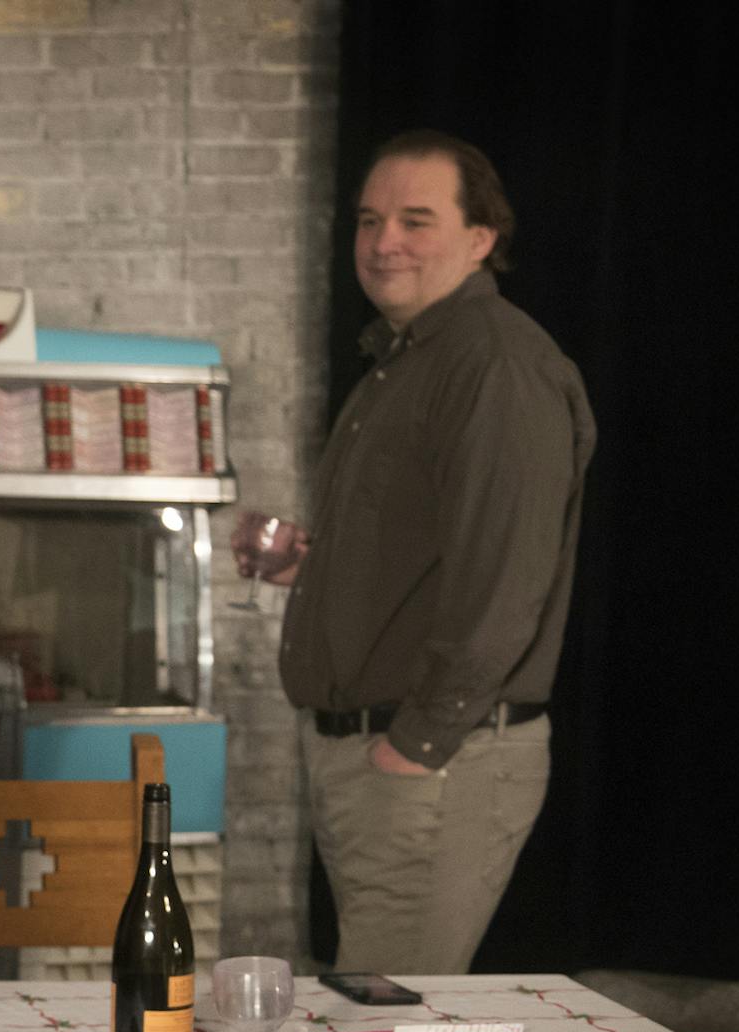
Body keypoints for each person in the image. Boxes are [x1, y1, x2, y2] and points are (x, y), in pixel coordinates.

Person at [237, 130, 596, 975]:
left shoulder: (495, 366)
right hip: (380, 760)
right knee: (375, 1015)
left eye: (415, 219)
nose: (383, 240)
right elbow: (428, 554)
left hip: (436, 764)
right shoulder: (404, 365)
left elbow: (508, 584)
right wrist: (309, 569)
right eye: (369, 219)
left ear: (481, 239)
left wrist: (417, 744)